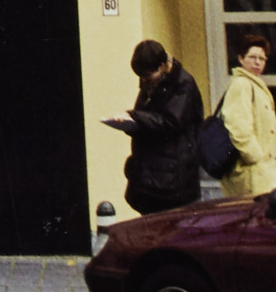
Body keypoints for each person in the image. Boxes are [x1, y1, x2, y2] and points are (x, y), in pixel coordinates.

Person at [103, 39, 203, 214]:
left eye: (148, 75)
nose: (144, 80)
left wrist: (134, 117)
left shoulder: (184, 84)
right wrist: (129, 122)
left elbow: (170, 121)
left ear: (163, 66)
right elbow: (149, 119)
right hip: (152, 176)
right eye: (141, 76)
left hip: (171, 180)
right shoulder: (152, 82)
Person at [220, 29, 276, 200]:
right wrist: (255, 158)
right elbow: (238, 126)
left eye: (262, 58)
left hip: (263, 170)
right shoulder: (241, 84)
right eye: (252, 57)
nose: (257, 62)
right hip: (252, 172)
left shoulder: (256, 85)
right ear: (241, 59)